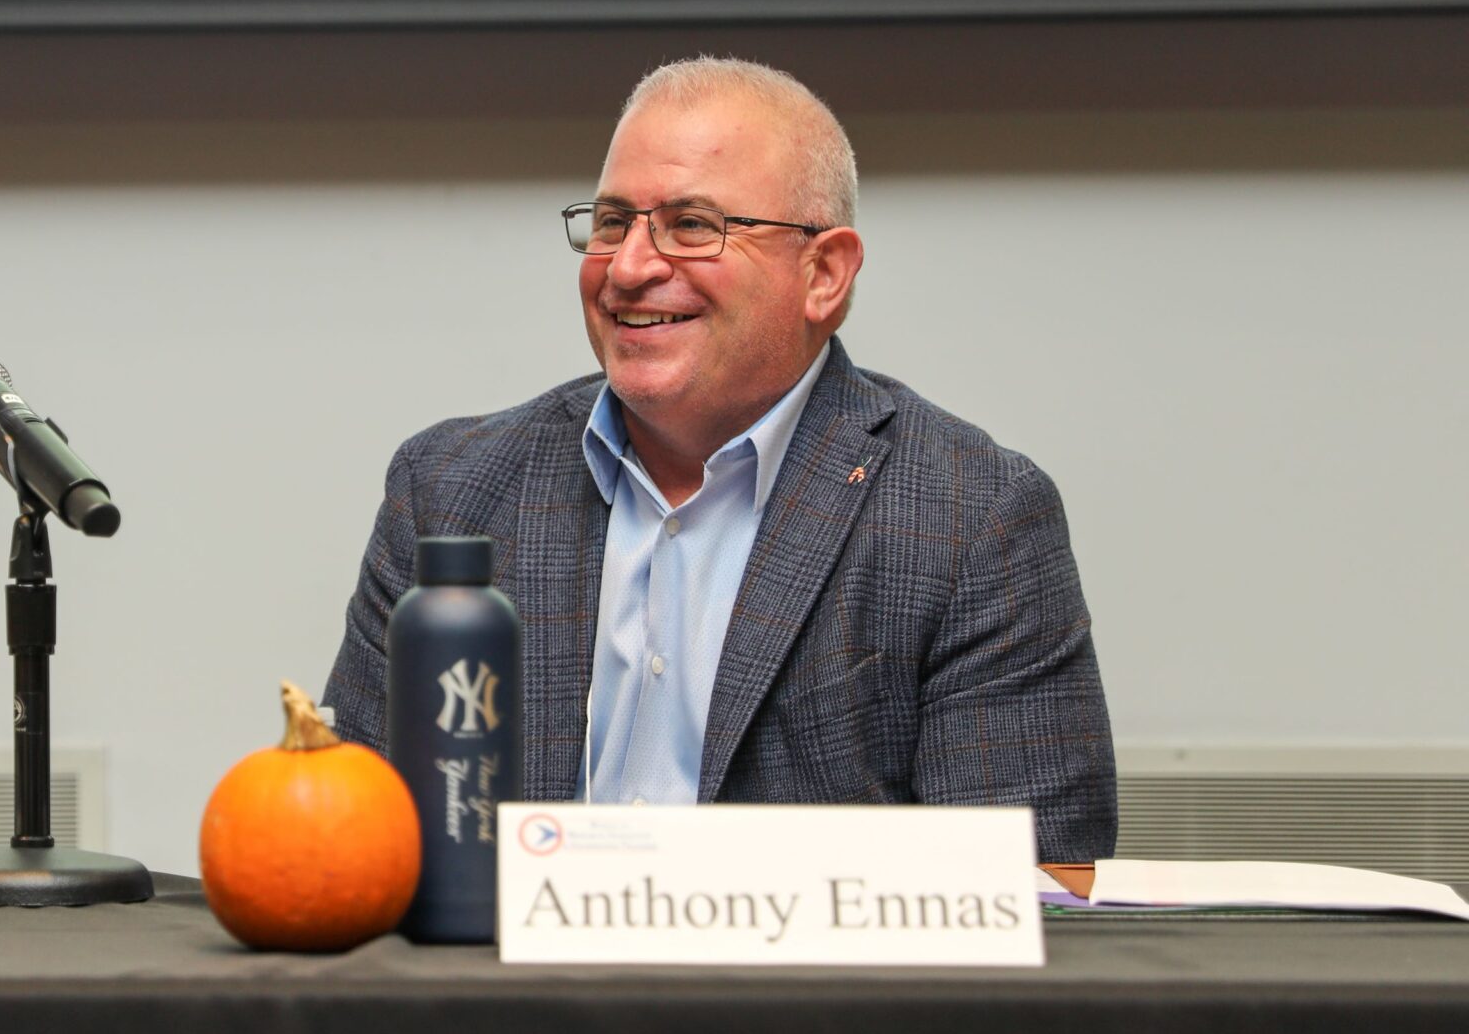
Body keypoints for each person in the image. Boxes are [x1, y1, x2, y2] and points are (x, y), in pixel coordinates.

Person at [324, 57, 1114, 862]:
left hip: (809, 989)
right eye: (610, 222)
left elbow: (1036, 898)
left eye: (693, 224)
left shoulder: (971, 517)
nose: (629, 267)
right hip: (504, 985)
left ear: (824, 273)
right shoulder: (451, 489)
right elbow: (342, 836)